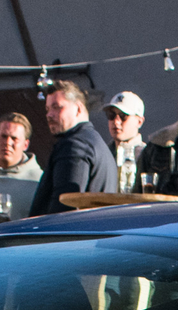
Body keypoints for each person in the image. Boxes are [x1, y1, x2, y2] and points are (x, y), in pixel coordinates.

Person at [29, 82, 114, 215]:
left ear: (78, 108)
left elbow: (65, 207)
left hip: (73, 233)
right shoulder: (96, 142)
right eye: (47, 109)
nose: (49, 115)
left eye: (57, 107)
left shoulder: (75, 145)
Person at [101, 90, 147, 193]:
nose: (116, 122)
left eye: (123, 116)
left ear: (139, 122)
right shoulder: (103, 154)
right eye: (111, 115)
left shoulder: (148, 155)